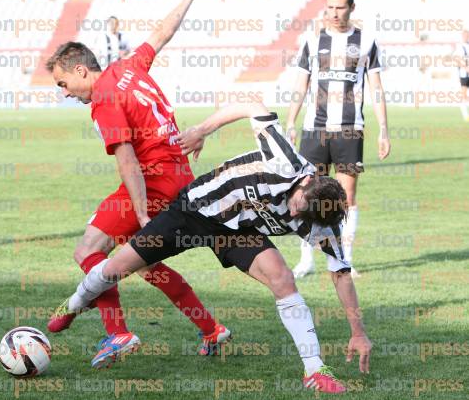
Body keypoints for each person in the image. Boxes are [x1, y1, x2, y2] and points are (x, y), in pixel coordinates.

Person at [56, 102, 372, 394]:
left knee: (282, 277)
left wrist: (357, 332)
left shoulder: (323, 222)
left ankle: (314, 370)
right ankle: (75, 302)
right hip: (194, 209)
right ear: (307, 183)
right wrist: (201, 130)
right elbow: (252, 103)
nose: (291, 215)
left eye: (301, 217)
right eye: (297, 206)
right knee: (115, 269)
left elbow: (341, 274)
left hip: (236, 230)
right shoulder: (285, 162)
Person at [45, 0, 230, 370]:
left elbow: (126, 158)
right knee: (145, 265)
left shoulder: (103, 99)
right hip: (178, 172)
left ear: (79, 71)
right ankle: (211, 328)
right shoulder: (127, 68)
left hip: (154, 179)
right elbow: (161, 34)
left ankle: (118, 332)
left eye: (62, 84)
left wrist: (144, 211)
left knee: (89, 248)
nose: (63, 93)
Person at [286, 0, 391, 278]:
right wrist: (290, 122)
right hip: (314, 128)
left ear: (352, 8)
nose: (334, 13)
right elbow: (301, 84)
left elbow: (377, 88)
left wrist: (383, 129)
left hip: (349, 129)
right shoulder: (312, 39)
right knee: (306, 194)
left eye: (340, 7)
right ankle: (307, 259)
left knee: (347, 196)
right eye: (329, 7)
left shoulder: (367, 41)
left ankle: (344, 258)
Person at [454, 29, 469, 121]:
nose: (466, 37)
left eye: (467, 35)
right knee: (463, 94)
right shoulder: (460, 47)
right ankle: (465, 115)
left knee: (465, 95)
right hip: (464, 74)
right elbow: (458, 60)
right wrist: (465, 68)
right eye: (464, 35)